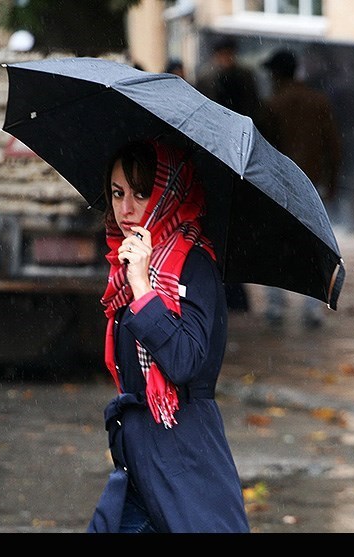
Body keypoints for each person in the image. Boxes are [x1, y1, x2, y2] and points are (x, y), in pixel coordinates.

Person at [87, 139, 249, 533]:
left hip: (184, 460)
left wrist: (143, 288)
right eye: (117, 193)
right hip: (139, 466)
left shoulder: (193, 266)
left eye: (141, 194)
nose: (125, 210)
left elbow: (183, 361)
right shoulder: (127, 268)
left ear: (166, 194)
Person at [261, 48, 343, 329]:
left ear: (276, 74)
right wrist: (331, 183)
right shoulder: (318, 102)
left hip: (279, 188)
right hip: (313, 187)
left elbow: (264, 151)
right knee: (314, 248)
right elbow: (334, 147)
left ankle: (275, 305)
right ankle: (314, 308)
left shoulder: (272, 104)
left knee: (275, 247)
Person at [195, 37, 270, 312]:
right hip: (215, 160)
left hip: (238, 161)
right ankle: (223, 287)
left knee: (233, 228)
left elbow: (255, 114)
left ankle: (234, 289)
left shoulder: (245, 78)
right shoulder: (206, 79)